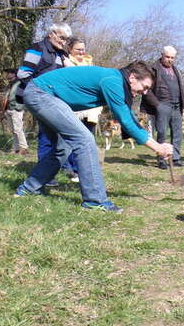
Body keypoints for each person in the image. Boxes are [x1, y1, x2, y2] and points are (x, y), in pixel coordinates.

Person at [14, 61, 173, 212]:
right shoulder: (113, 81)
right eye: (144, 87)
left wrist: (155, 144)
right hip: (41, 93)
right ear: (132, 77)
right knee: (84, 140)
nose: (144, 92)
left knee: (62, 147)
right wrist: (157, 148)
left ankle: (29, 188)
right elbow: (126, 121)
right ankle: (95, 200)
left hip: (38, 93)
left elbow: (128, 116)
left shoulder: (116, 81)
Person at [16, 22, 73, 186]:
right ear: (51, 34)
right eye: (61, 38)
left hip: (56, 100)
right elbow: (23, 73)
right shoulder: (37, 48)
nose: (64, 42)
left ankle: (49, 172)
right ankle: (44, 176)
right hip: (40, 98)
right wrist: (38, 91)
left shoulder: (62, 54)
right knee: (47, 136)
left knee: (57, 136)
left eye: (66, 39)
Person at [62, 37, 103, 182]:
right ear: (70, 50)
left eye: (83, 49)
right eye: (78, 49)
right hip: (73, 107)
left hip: (90, 109)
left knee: (88, 138)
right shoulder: (65, 62)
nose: (81, 52)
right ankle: (72, 169)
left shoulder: (89, 63)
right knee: (73, 138)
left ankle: (83, 169)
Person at [140, 46, 184, 169]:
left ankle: (176, 158)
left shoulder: (175, 70)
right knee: (162, 132)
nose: (170, 60)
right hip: (162, 105)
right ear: (162, 55)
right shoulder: (153, 69)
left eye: (172, 58)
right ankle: (161, 159)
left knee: (177, 133)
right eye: (167, 57)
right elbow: (146, 89)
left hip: (176, 105)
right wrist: (157, 105)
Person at [2, 68, 28, 155]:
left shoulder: (20, 83)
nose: (7, 74)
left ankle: (24, 148)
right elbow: (7, 97)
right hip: (9, 108)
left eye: (9, 73)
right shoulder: (10, 84)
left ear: (14, 74)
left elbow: (24, 95)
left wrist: (19, 107)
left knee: (18, 129)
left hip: (17, 109)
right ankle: (16, 149)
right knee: (14, 130)